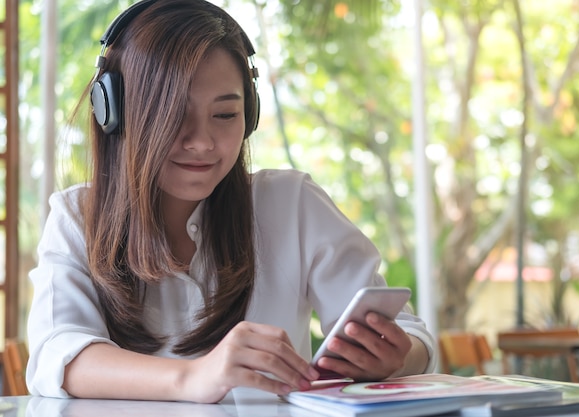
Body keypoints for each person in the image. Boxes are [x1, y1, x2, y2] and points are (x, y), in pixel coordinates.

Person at [25, 0, 436, 404]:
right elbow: (57, 355)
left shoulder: (292, 205)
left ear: (250, 114)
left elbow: (410, 334)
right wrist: (193, 377)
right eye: (173, 116)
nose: (203, 142)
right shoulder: (77, 218)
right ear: (113, 112)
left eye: (225, 116)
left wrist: (397, 357)